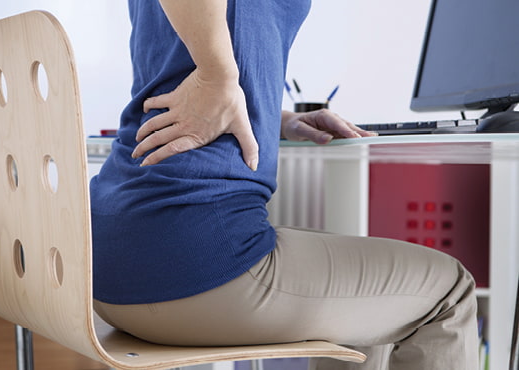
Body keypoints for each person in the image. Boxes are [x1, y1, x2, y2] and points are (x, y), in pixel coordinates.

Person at [89, 0, 479, 369]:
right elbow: (206, 68)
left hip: (106, 263)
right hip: (191, 263)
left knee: (369, 304)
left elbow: (174, 67)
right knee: (449, 292)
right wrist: (216, 77)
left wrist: (271, 118)